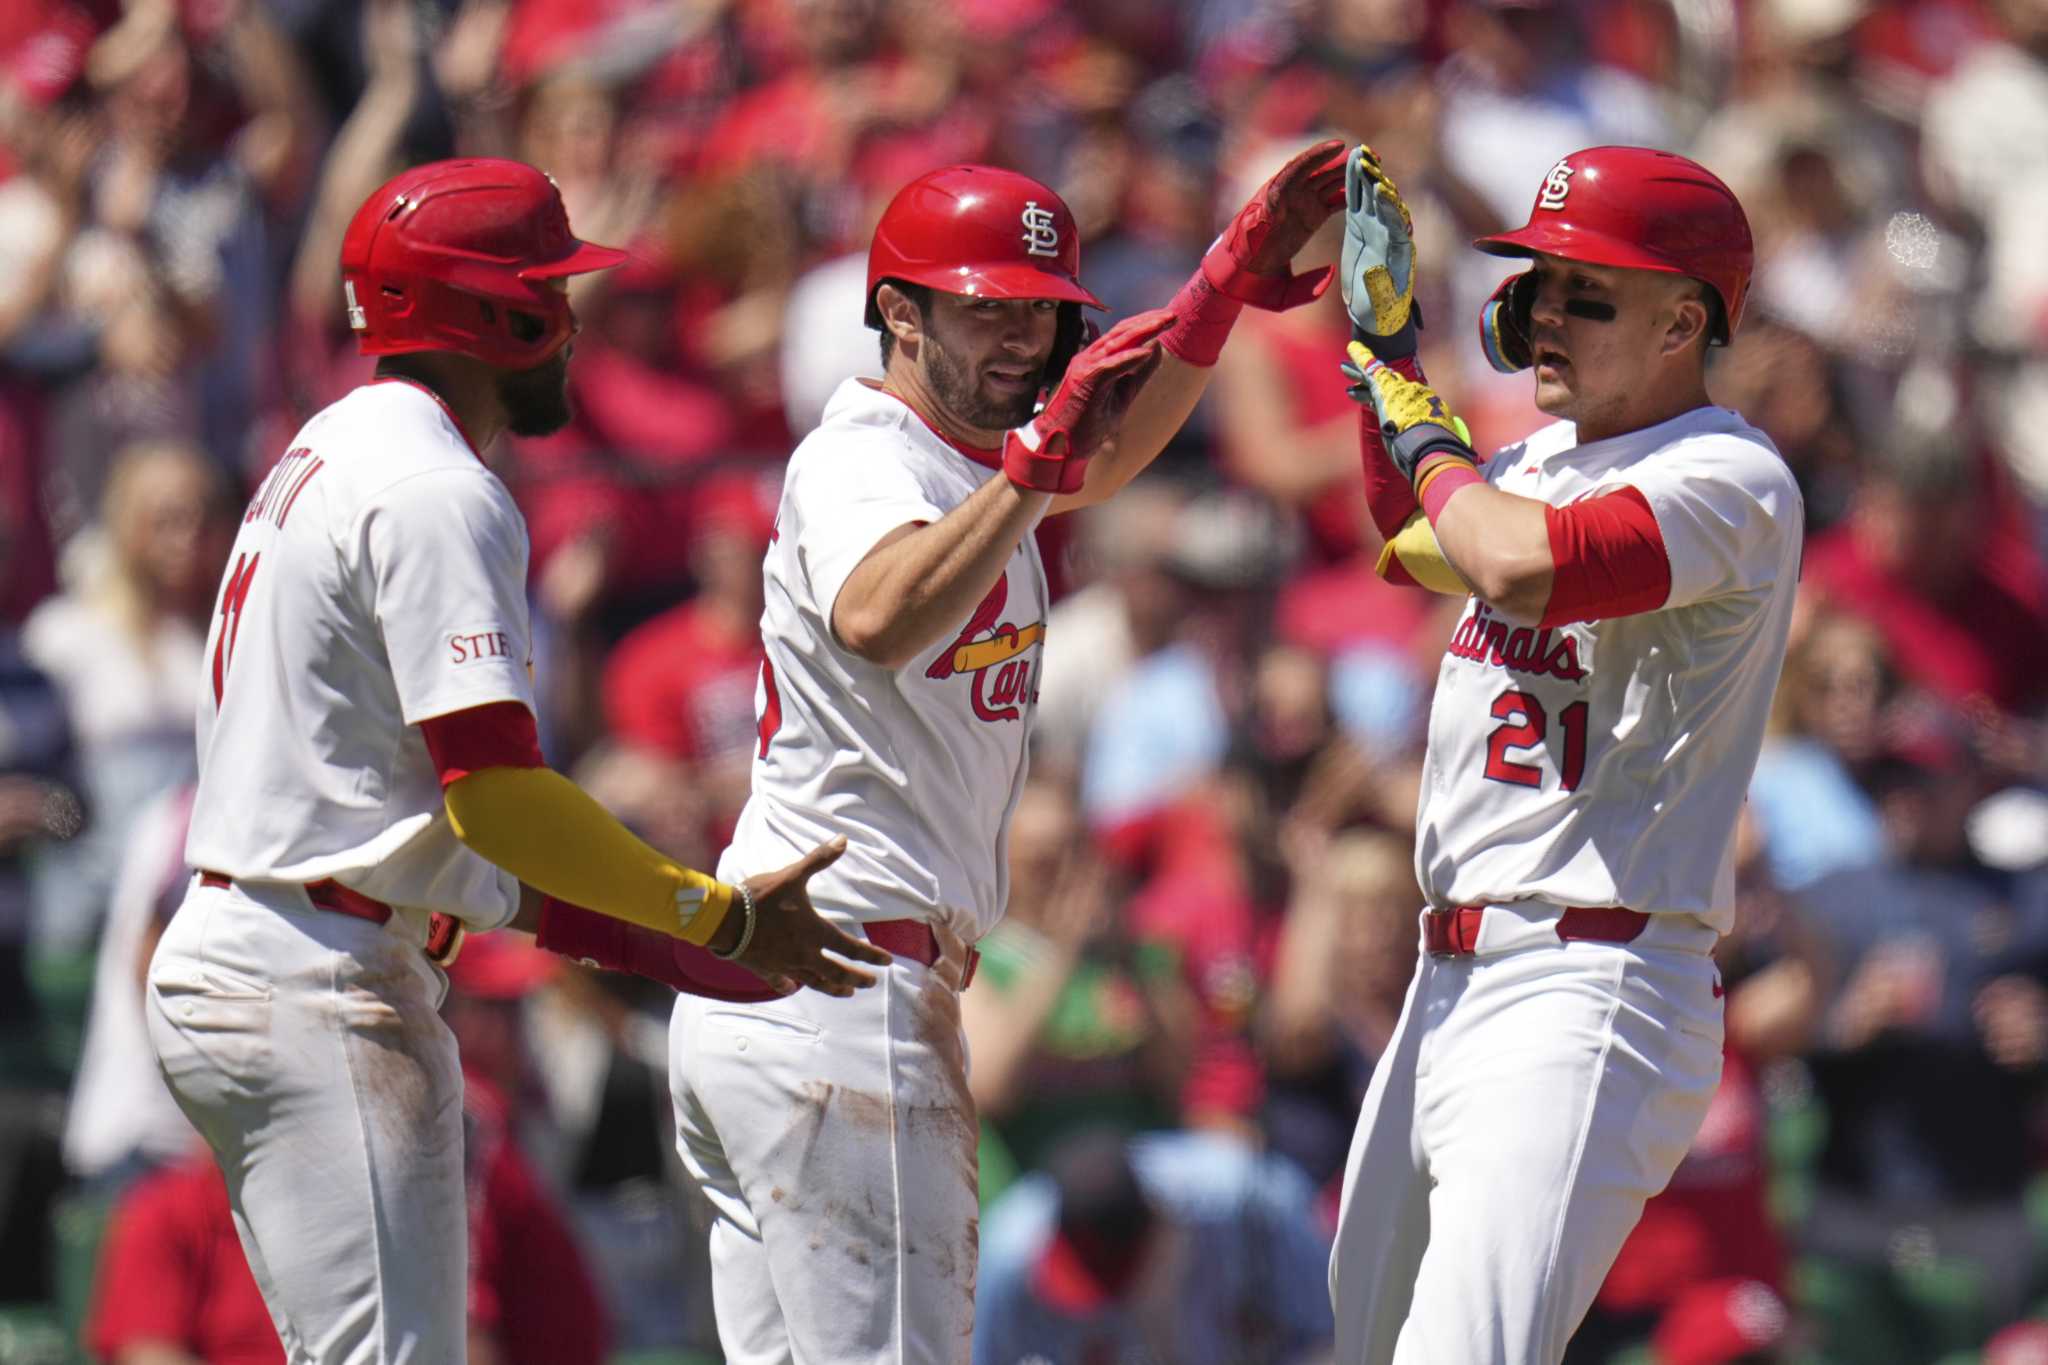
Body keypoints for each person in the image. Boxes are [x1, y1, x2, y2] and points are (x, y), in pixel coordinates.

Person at [542, 148, 1346, 1361]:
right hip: (843, 972)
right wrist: (1029, 473)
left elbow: (1110, 456)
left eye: (1039, 314)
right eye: (986, 310)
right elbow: (876, 614)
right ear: (897, 315)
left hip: (810, 979)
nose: (1022, 341)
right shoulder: (867, 453)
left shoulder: (971, 472)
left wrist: (1217, 291)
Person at [144, 157, 890, 1365]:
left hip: (272, 942)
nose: (572, 321)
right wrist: (709, 912)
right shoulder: (438, 484)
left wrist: (687, 942)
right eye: (548, 289)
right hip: (314, 974)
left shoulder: (336, 438)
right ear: (492, 315)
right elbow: (492, 797)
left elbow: (453, 842)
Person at [1324, 143, 1805, 1363]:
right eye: (1539, 284)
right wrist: (1383, 366)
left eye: (1586, 292)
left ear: (1680, 321)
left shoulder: (1730, 475)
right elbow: (1413, 535)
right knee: (1367, 1347)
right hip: (1450, 977)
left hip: (1588, 976)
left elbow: (1520, 567)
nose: (1543, 312)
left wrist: (1421, 425)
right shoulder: (1539, 464)